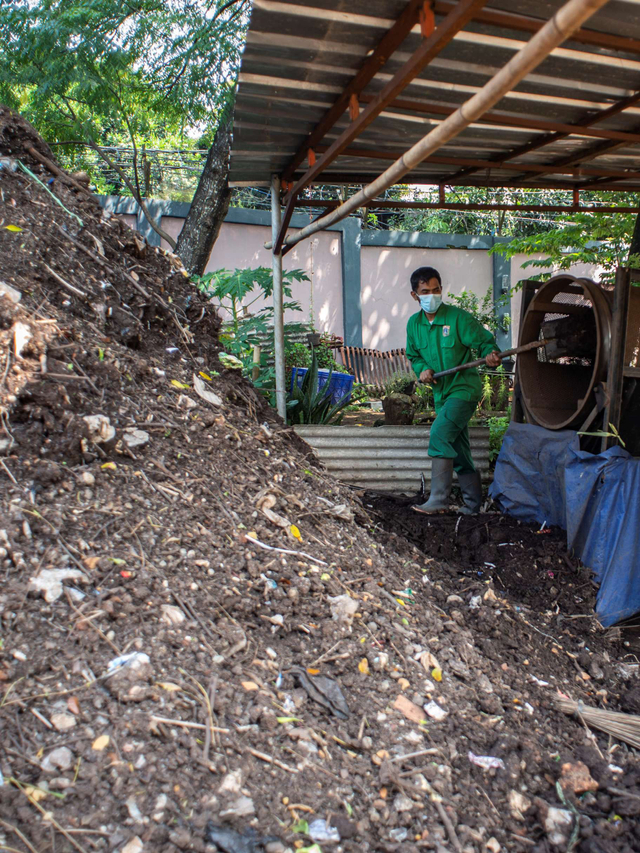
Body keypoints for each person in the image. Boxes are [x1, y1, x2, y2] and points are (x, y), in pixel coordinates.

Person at [405, 266, 501, 514]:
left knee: (439, 434)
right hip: (441, 393)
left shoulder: (458, 318)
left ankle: (439, 500)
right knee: (458, 450)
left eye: (436, 290)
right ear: (415, 295)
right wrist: (422, 369)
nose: (432, 295)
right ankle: (472, 504)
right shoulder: (413, 325)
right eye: (425, 291)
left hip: (464, 389)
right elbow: (414, 355)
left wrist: (490, 354)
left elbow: (483, 341)